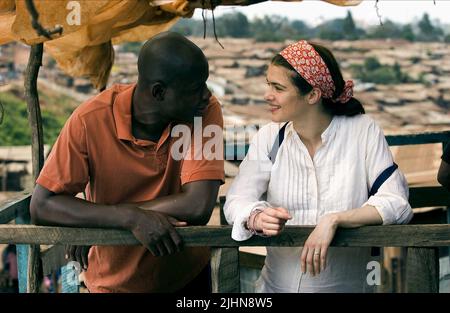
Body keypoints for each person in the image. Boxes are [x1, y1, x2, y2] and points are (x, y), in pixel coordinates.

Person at [30, 32, 224, 293]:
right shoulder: (90, 120)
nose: (206, 94)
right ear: (158, 92)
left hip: (185, 278)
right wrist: (129, 218)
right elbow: (42, 205)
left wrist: (109, 216)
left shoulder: (203, 111)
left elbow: (198, 205)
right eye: (195, 89)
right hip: (113, 282)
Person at [224, 40, 413, 293]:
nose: (267, 95)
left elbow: (397, 203)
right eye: (268, 84)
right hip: (273, 289)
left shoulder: (362, 131)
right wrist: (255, 217)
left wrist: (335, 220)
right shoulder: (269, 138)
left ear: (312, 94)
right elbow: (235, 201)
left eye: (278, 88)